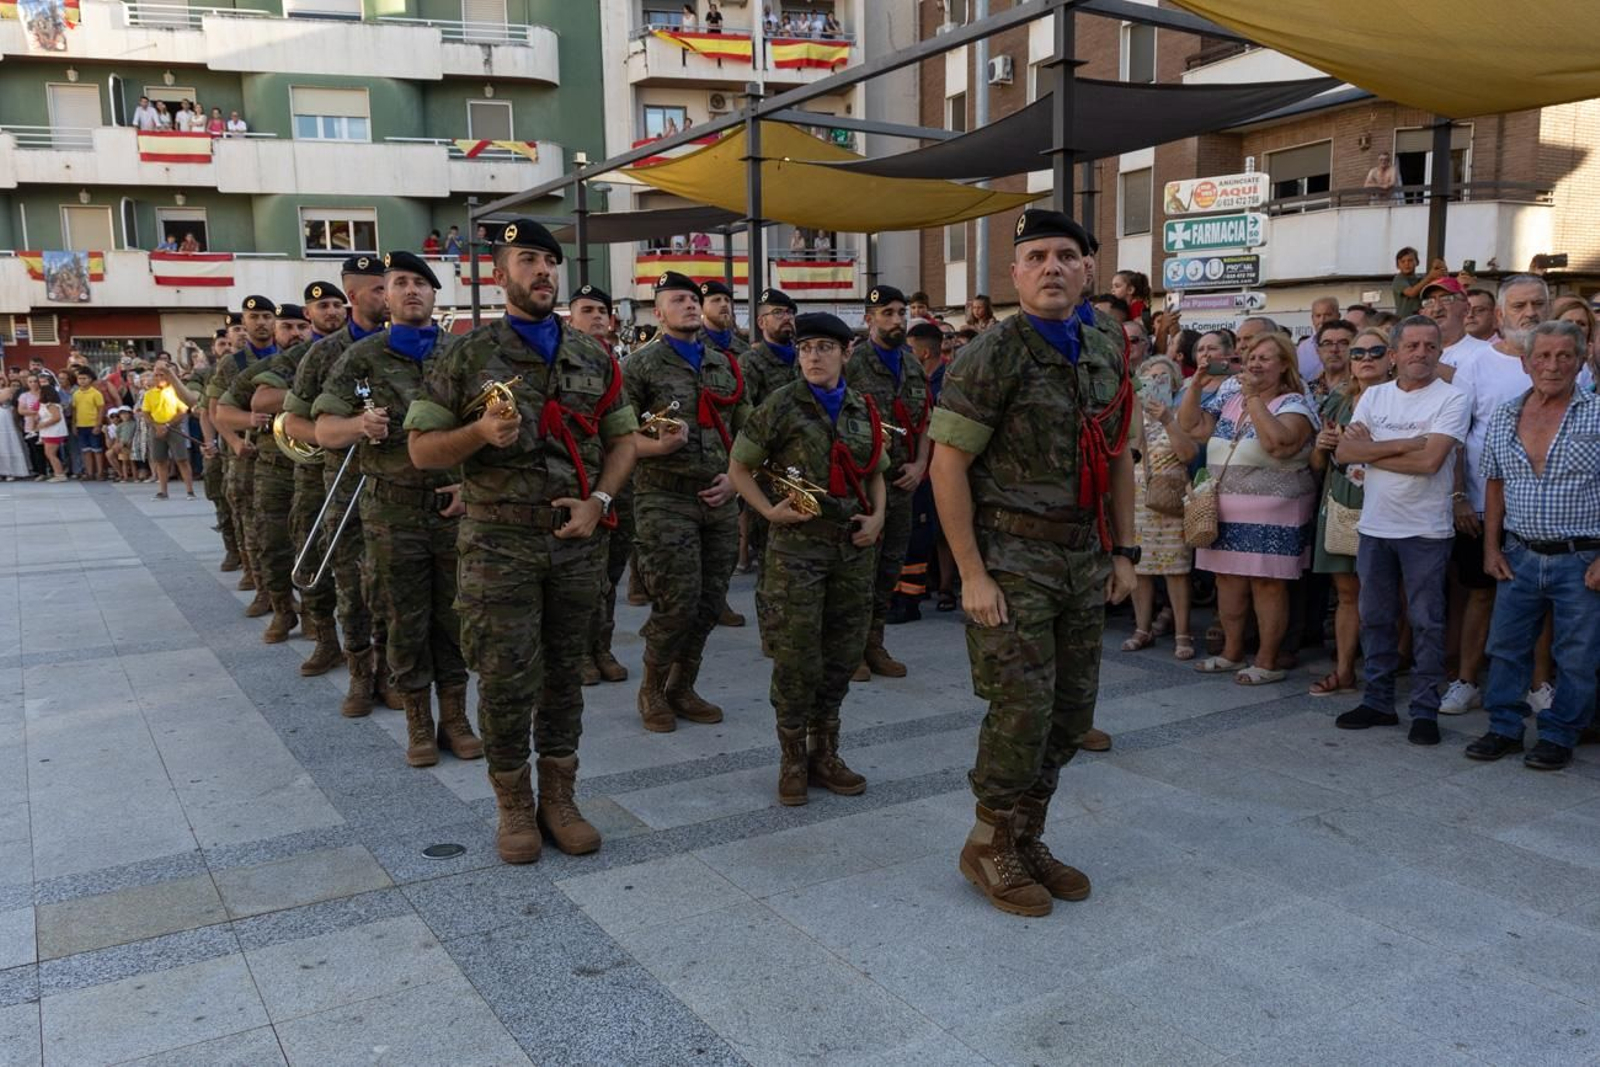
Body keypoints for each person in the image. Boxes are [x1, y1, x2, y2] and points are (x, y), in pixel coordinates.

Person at [407, 219, 637, 863]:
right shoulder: (463, 354)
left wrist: (601, 501)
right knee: (506, 678)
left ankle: (559, 798)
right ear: (499, 273)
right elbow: (422, 450)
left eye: (549, 261)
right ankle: (513, 803)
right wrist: (478, 434)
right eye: (527, 259)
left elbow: (622, 440)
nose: (542, 271)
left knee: (565, 676)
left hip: (575, 543)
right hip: (496, 545)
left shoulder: (593, 355)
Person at [929, 208, 1134, 918]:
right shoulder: (991, 352)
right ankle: (989, 842)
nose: (1052, 267)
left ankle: (1026, 833)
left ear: (1087, 269)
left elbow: (1115, 457)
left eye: (1066, 255)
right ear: (1015, 273)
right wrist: (972, 574)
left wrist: (1125, 549)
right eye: (1037, 256)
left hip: (1082, 552)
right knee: (1020, 708)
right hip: (1012, 558)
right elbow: (947, 466)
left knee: (1071, 712)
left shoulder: (1105, 342)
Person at [315, 252, 477, 768]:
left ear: (435, 296)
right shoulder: (361, 357)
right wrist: (358, 428)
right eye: (398, 283)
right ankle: (419, 723)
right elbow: (321, 430)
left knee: (457, 617)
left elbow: (492, 429)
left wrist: (470, 487)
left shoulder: (465, 353)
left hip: (455, 511)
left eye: (420, 284)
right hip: (391, 511)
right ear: (383, 296)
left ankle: (456, 717)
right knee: (403, 618)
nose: (409, 291)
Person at [728, 311, 886, 804]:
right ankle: (793, 757)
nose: (813, 357)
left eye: (824, 348)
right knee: (797, 657)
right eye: (805, 348)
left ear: (845, 353)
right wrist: (767, 512)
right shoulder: (780, 405)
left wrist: (879, 516)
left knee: (841, 654)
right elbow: (739, 467)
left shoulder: (863, 408)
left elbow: (875, 470)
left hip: (852, 549)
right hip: (798, 549)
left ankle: (826, 752)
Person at [1466, 321, 1600, 771]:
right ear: (1525, 363)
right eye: (1542, 356)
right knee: (1506, 647)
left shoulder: (1597, 413)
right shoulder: (1505, 414)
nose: (1553, 365)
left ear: (1581, 361)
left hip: (1581, 557)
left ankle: (1560, 734)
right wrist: (1491, 548)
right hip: (1519, 554)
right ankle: (1503, 728)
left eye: (1565, 356)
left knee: (1576, 656)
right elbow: (1495, 485)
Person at [624, 271, 750, 732]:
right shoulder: (640, 367)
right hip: (664, 496)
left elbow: (749, 434)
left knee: (709, 600)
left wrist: (737, 480)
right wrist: (656, 447)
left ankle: (683, 684)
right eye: (677, 300)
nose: (690, 305)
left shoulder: (726, 363)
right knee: (675, 601)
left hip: (717, 498)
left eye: (693, 298)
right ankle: (652, 688)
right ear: (658, 313)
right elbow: (618, 437)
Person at [1333, 316, 1469, 745]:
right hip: (1376, 527)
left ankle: (1425, 710)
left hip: (1426, 530)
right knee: (1375, 618)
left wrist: (1372, 452)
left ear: (1439, 352)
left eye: (1430, 346)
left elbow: (1430, 463)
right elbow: (1344, 452)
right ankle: (1378, 702)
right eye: (1411, 346)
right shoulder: (1374, 396)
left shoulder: (1453, 397)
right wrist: (1407, 443)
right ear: (1394, 354)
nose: (1421, 353)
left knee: (1426, 622)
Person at [283, 256, 395, 716]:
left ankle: (390, 672)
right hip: (346, 485)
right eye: (377, 290)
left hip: (400, 486)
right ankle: (358, 673)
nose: (388, 296)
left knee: (391, 584)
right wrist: (344, 431)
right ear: (353, 297)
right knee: (350, 584)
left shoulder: (406, 345)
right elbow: (292, 420)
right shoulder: (325, 353)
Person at [1439, 276, 1546, 716]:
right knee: (1479, 593)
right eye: (1520, 306)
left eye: (1538, 304)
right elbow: (1456, 436)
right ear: (1500, 315)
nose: (1531, 313)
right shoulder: (1476, 366)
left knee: (1542, 600)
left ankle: (1540, 686)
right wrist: (1460, 495)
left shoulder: (1564, 362)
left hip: (1544, 511)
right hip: (1483, 505)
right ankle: (1467, 680)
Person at [1187, 332, 1319, 685]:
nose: (1255, 364)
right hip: (1225, 508)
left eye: (1265, 358)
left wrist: (1252, 399)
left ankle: (1267, 660)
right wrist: (1197, 386)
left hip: (1274, 510)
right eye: (1251, 357)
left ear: (1284, 366)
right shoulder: (1229, 401)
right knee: (1227, 582)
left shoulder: (1295, 404)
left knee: (1267, 585)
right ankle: (1231, 652)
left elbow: (1279, 444)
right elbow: (1192, 426)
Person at [846, 285, 931, 680]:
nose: (897, 320)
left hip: (902, 484)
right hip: (862, 487)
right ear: (869, 319)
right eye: (887, 313)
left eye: (900, 313)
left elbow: (927, 421)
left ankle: (874, 644)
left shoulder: (912, 364)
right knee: (859, 571)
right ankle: (850, 651)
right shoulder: (852, 364)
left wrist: (919, 465)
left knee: (889, 570)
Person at [1308, 326, 1393, 696]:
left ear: (1391, 357)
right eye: (1358, 354)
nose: (1365, 359)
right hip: (1341, 498)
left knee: (1388, 593)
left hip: (1386, 500)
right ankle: (1344, 670)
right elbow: (1315, 464)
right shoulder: (1338, 400)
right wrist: (1322, 445)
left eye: (1375, 352)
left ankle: (1388, 669)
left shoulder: (1402, 399)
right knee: (1346, 592)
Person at [565, 284, 636, 689]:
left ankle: (601, 646)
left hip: (618, 483)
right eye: (586, 309)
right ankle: (578, 652)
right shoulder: (563, 362)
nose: (596, 317)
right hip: (580, 483)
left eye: (602, 310)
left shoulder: (619, 363)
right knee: (581, 576)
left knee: (610, 572)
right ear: (570, 317)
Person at [209, 295, 281, 616]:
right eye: (254, 317)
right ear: (245, 322)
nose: (262, 323)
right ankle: (262, 587)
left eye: (267, 316)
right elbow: (215, 411)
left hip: (284, 452)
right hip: (246, 454)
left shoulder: (288, 357)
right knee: (250, 522)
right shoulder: (232, 363)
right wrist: (233, 440)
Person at [739, 287, 802, 641]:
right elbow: (746, 414)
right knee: (770, 554)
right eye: (778, 313)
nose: (787, 318)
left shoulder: (801, 357)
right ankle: (772, 631)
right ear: (762, 321)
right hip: (768, 469)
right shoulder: (752, 363)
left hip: (804, 467)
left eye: (790, 312)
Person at [1125, 355, 1198, 659]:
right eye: (1150, 377)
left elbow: (1188, 454)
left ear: (1175, 383)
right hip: (1137, 496)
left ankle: (1183, 633)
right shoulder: (1132, 415)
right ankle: (1142, 629)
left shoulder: (1182, 413)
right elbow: (1128, 455)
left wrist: (1167, 420)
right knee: (1138, 567)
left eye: (1163, 378)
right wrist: (1137, 409)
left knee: (1176, 569)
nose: (1156, 383)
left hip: (1169, 499)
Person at [142, 363, 197, 499]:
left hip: (173, 428)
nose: (159, 377)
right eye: (156, 375)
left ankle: (190, 491)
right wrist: (156, 426)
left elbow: (182, 411)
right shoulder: (149, 394)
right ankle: (163, 491)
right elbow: (146, 413)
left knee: (182, 459)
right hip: (156, 429)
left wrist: (167, 425)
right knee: (160, 460)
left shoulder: (175, 391)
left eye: (162, 375)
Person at [1307, 318, 1356, 406]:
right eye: (1327, 343)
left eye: (1343, 343)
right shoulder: (1306, 390)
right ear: (1318, 351)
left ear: (1355, 349)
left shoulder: (1360, 389)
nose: (1334, 349)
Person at [70, 367, 106, 482]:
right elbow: (74, 410)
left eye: (84, 378)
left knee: (97, 450)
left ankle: (100, 472)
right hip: (81, 425)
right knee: (85, 450)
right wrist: (74, 424)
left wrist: (98, 424)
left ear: (90, 379)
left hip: (93, 424)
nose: (82, 381)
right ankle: (89, 473)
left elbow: (101, 409)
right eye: (80, 378)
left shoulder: (96, 393)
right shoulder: (76, 394)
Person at [1391, 247, 1445, 320]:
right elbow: (1411, 292)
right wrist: (1430, 277)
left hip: (1422, 318)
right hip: (1404, 320)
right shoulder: (1399, 279)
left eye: (1410, 260)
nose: (1406, 264)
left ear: (1417, 262)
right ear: (1398, 265)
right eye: (1402, 261)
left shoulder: (1421, 278)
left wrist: (1441, 267)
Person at [1296, 297, 1341, 381]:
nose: (1322, 320)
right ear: (1312, 318)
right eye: (1318, 316)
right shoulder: (1302, 348)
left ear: (1338, 316)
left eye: (1328, 315)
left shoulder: (1347, 343)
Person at [0, 376, 31, 480]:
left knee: (7, 442)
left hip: (5, 418)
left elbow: (2, 399)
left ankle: (10, 471)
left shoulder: (7, 390)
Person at [36, 383, 68, 481]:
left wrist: (43, 424)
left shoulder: (51, 405)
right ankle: (57, 473)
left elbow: (56, 417)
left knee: (51, 454)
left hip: (54, 432)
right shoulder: (45, 405)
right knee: (49, 453)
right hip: (48, 432)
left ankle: (60, 474)